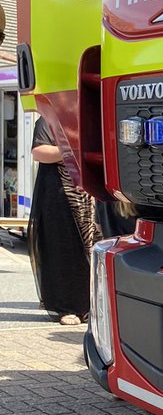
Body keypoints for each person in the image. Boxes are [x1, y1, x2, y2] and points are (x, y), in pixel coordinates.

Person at [28, 116, 97, 325]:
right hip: (59, 195)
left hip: (89, 197)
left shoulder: (89, 115)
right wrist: (70, 153)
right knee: (64, 251)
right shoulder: (48, 120)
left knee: (93, 250)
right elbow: (38, 152)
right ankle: (67, 308)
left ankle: (90, 306)